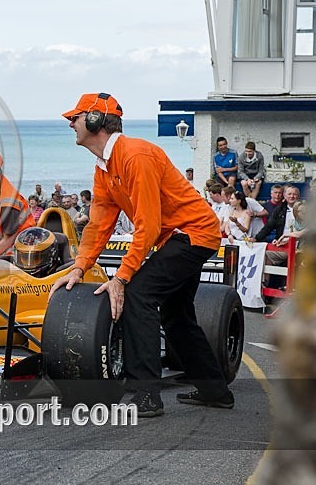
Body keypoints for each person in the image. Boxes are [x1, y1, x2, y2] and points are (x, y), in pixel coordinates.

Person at [50, 92, 232, 418]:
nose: (70, 123)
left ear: (94, 121)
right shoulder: (105, 168)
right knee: (176, 316)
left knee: (138, 295)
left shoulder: (135, 156)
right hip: (178, 239)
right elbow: (98, 225)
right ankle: (215, 391)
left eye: (75, 117)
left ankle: (146, 395)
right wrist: (79, 267)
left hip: (192, 235)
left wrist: (121, 277)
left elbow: (147, 227)